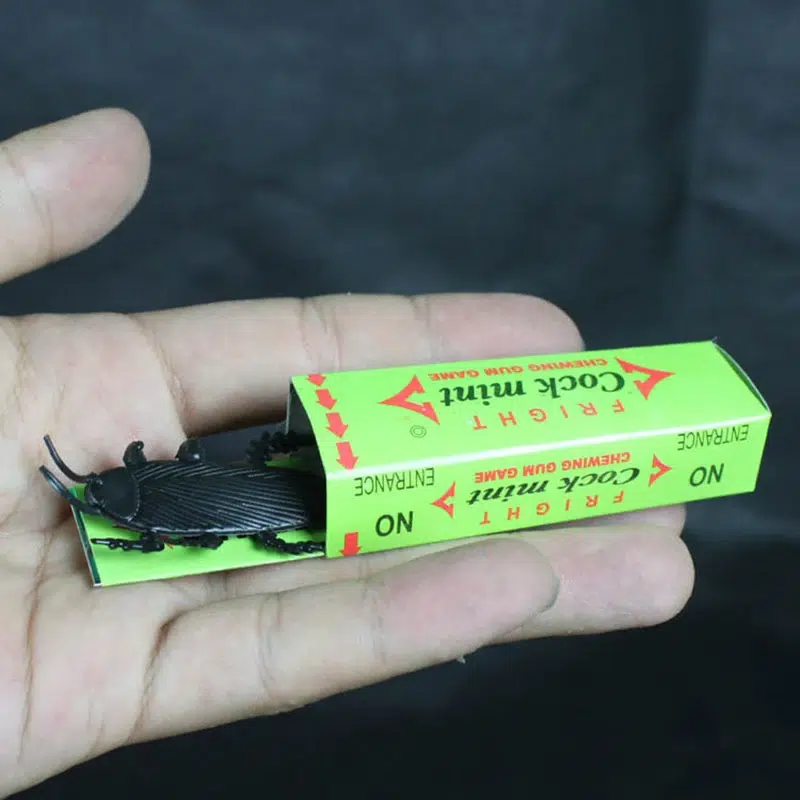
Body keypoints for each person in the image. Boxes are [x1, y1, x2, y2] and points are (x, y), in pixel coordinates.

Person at [0, 108, 694, 797]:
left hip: (254, 501)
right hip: (252, 504)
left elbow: (164, 503)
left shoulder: (145, 516)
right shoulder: (147, 510)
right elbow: (168, 497)